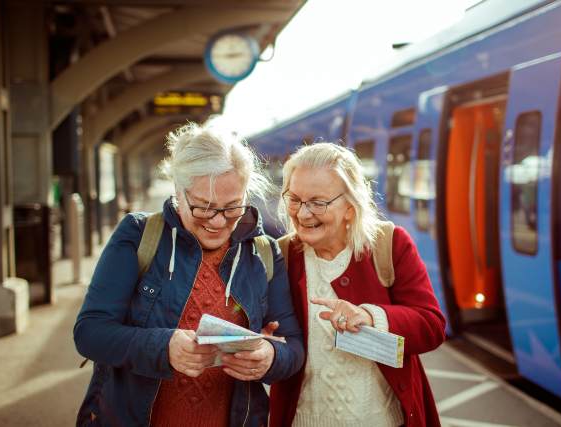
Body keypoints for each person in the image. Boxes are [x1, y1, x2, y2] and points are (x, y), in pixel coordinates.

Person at [74, 122, 304, 426]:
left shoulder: (263, 253)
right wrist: (164, 347)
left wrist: (271, 356)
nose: (218, 221)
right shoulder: (139, 236)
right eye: (203, 207)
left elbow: (294, 346)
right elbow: (90, 332)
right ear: (178, 192)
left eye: (232, 207)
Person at [268, 143, 446, 427]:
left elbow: (432, 326)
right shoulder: (281, 257)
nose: (302, 214)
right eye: (295, 199)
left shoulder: (390, 245)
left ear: (350, 207)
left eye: (318, 202)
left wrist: (370, 316)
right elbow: (272, 343)